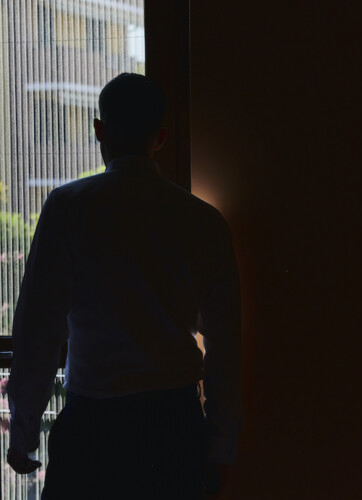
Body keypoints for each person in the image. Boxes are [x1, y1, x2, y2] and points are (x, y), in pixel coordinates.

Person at [6, 73, 242, 499]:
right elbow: (225, 343)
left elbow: (38, 331)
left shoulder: (68, 209)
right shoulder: (204, 222)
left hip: (93, 427)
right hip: (174, 429)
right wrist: (221, 446)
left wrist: (23, 432)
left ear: (99, 129)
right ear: (161, 137)